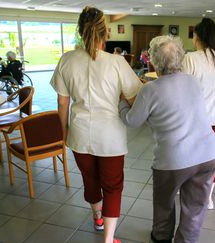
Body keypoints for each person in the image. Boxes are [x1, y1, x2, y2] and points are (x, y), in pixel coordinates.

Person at [50, 7, 141, 243]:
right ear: (106, 33)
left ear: (80, 31)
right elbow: (134, 100)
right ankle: (108, 240)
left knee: (89, 179)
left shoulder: (67, 59)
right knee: (112, 186)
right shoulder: (117, 62)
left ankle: (97, 218)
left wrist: (64, 131)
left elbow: (62, 103)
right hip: (110, 136)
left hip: (79, 134)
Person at [119, 35, 215, 243]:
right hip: (208, 154)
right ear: (180, 58)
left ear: (153, 61)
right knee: (194, 208)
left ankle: (162, 238)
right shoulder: (192, 81)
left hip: (174, 160)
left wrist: (121, 103)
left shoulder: (149, 90)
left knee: (164, 204)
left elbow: (132, 120)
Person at [182, 17, 215, 210]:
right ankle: (208, 198)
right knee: (211, 159)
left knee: (187, 157)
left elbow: (182, 86)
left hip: (194, 119)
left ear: (197, 36)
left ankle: (184, 189)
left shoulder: (190, 58)